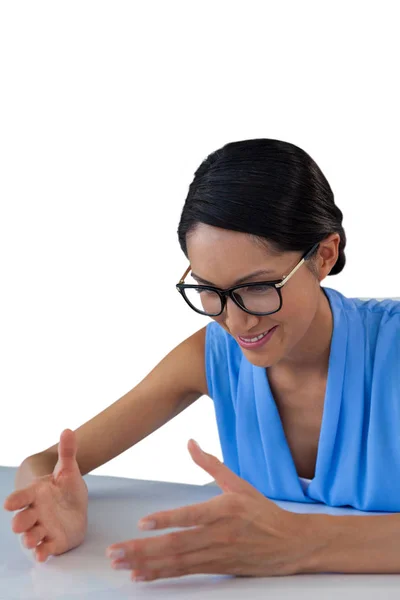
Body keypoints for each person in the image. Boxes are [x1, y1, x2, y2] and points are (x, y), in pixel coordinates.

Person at [4, 138, 400, 581]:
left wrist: (300, 543)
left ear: (323, 255)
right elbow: (44, 464)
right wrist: (50, 505)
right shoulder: (211, 354)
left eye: (257, 287)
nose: (235, 322)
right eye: (210, 289)